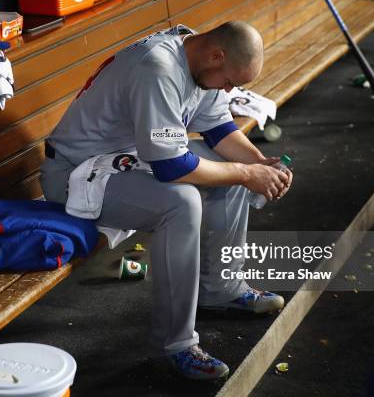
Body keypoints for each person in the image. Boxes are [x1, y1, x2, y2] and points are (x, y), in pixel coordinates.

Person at [40, 21, 293, 381]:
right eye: (230, 81)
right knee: (182, 202)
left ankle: (221, 288)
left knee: (234, 170)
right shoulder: (158, 69)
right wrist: (246, 172)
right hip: (77, 174)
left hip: (127, 156)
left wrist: (259, 164)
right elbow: (172, 166)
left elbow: (219, 128)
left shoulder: (200, 61)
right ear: (217, 55)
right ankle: (174, 345)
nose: (229, 89)